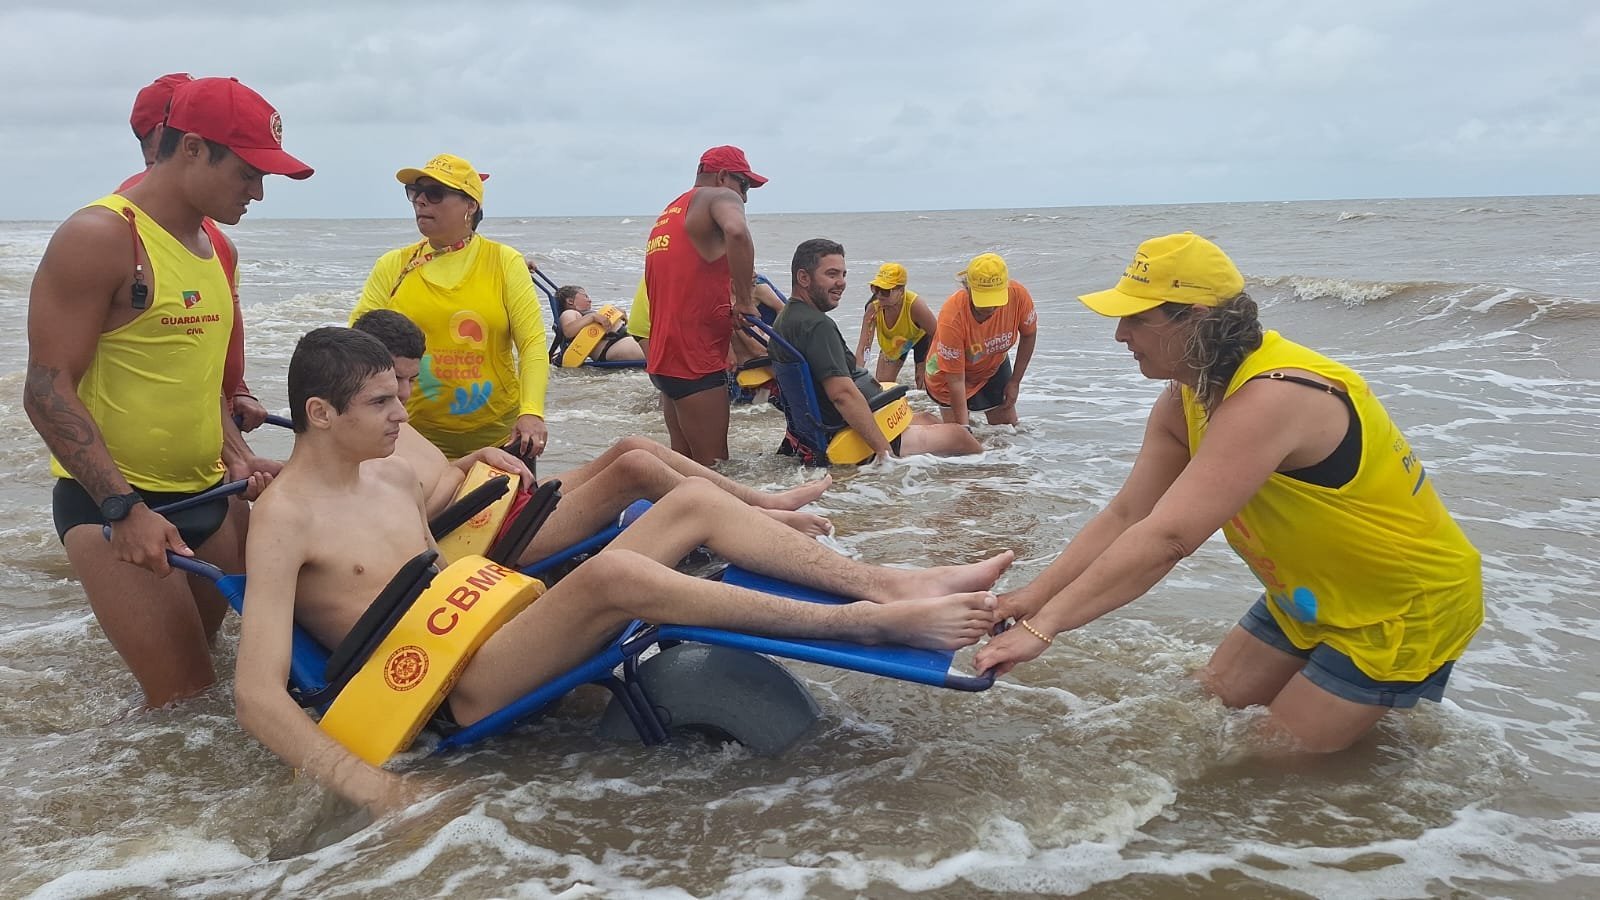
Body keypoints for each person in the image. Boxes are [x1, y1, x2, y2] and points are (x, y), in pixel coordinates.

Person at [234, 327, 1010, 813]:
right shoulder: (286, 519)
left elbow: (448, 491)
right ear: (321, 415)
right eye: (380, 403)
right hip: (451, 683)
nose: (403, 414)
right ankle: (870, 623)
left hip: (496, 614)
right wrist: (379, 790)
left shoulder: (387, 471)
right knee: (609, 579)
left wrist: (478, 456)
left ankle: (887, 582)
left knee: (692, 504)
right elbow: (257, 694)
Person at [975, 233, 1484, 754]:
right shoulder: (1185, 397)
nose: (1121, 336)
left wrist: (1044, 630)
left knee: (1267, 757)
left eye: (1138, 319)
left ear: (1197, 319)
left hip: (1399, 604)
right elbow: (1128, 514)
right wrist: (1030, 600)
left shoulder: (1274, 397)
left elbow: (1169, 537)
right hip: (1307, 593)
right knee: (1203, 707)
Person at [23, 76, 310, 707]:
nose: (259, 193)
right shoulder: (102, 236)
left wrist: (236, 454)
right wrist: (123, 509)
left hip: (213, 495)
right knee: (182, 702)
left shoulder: (217, 247)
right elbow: (46, 391)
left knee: (206, 695)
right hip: (119, 508)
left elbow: (199, 380)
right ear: (193, 150)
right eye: (248, 174)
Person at [352, 309, 834, 545]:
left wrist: (473, 459)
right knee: (636, 470)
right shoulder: (359, 438)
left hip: (494, 501)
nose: (406, 396)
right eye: (395, 381)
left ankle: (763, 501)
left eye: (412, 380)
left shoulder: (390, 421)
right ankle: (763, 521)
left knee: (634, 444)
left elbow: (427, 476)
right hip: (488, 535)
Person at [351, 153, 549, 461]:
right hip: (410, 438)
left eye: (434, 193)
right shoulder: (393, 266)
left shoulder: (504, 261)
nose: (420, 201)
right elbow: (357, 347)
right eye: (414, 193)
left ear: (470, 205)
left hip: (500, 437)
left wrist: (532, 412)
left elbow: (533, 343)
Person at [120, 72, 269, 431]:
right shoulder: (117, 233)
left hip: (207, 438)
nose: (257, 192)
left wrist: (238, 392)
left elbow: (200, 348)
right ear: (167, 135)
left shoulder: (209, 231)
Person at [773, 239, 981, 462]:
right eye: (832, 274)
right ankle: (991, 480)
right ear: (803, 278)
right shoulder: (816, 326)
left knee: (929, 418)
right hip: (859, 429)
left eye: (843, 274)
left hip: (838, 421)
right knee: (961, 436)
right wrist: (885, 452)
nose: (841, 283)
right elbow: (842, 395)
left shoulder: (786, 320)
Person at [642, 145, 766, 465]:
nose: (746, 197)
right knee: (715, 470)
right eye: (745, 185)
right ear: (723, 177)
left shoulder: (672, 210)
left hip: (665, 358)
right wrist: (744, 300)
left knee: (683, 464)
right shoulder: (720, 197)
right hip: (693, 359)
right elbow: (737, 231)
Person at [924, 253, 1038, 427]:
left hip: (992, 365)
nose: (991, 308)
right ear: (968, 288)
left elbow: (1029, 334)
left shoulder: (1018, 295)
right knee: (958, 440)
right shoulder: (952, 316)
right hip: (949, 376)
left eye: (996, 300)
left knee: (1007, 430)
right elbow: (956, 381)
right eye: (984, 301)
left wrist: (1015, 382)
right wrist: (964, 430)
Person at [853, 263, 936, 391]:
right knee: (882, 388)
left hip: (921, 339)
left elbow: (938, 334)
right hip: (894, 346)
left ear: (901, 291)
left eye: (885, 291)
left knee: (924, 387)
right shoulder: (872, 309)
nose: (879, 295)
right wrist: (857, 376)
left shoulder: (915, 305)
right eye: (876, 289)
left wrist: (931, 364)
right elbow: (864, 347)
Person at [554, 285, 645, 363]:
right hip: (613, 346)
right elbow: (568, 331)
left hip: (623, 340)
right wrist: (592, 317)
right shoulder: (570, 312)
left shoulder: (589, 314)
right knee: (655, 354)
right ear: (570, 301)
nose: (590, 300)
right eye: (585, 296)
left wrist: (617, 314)